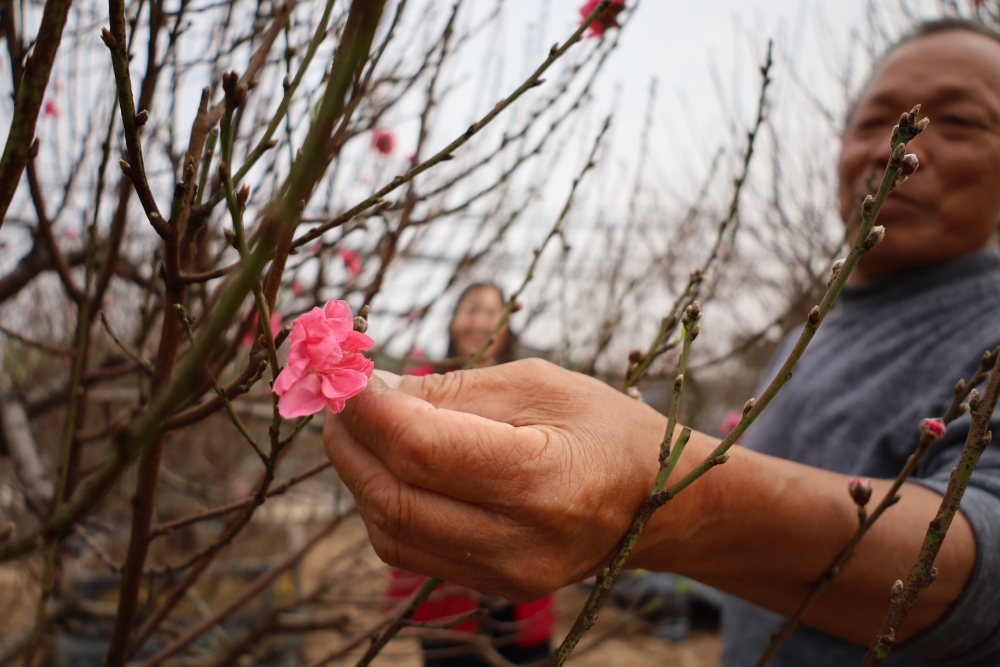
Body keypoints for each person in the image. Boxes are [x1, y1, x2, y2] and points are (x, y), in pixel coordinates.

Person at [325, 19, 1000, 667]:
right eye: (875, 121)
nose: (896, 148)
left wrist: (667, 502)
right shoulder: (814, 331)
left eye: (962, 122)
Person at [387, 283, 555, 667]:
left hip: (518, 576)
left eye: (492, 312)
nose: (479, 321)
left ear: (507, 327)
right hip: (444, 582)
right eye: (470, 309)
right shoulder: (418, 388)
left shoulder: (530, 391)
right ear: (452, 322)